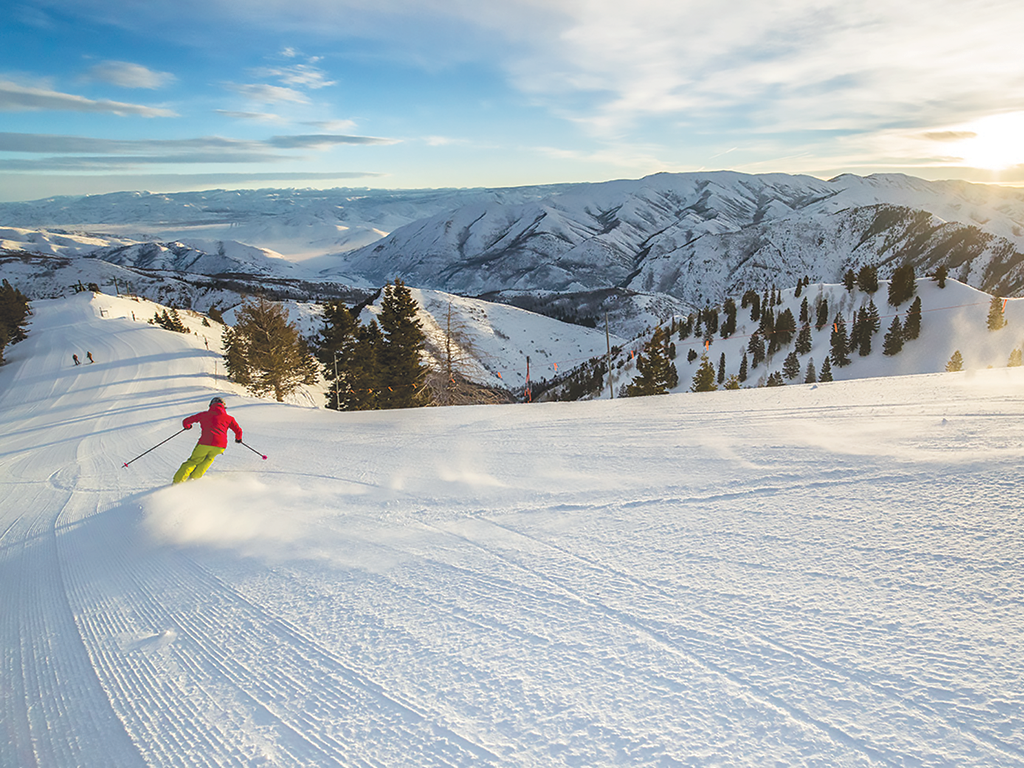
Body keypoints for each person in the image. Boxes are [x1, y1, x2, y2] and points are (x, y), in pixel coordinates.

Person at [172, 397, 242, 483]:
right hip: (220, 446)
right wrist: (238, 439)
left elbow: (186, 421)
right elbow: (238, 430)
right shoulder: (229, 418)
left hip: (205, 443)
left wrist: (188, 426)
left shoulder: (203, 415)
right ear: (223, 406)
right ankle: (194, 478)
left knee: (194, 461)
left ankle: (178, 482)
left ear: (211, 405)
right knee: (208, 459)